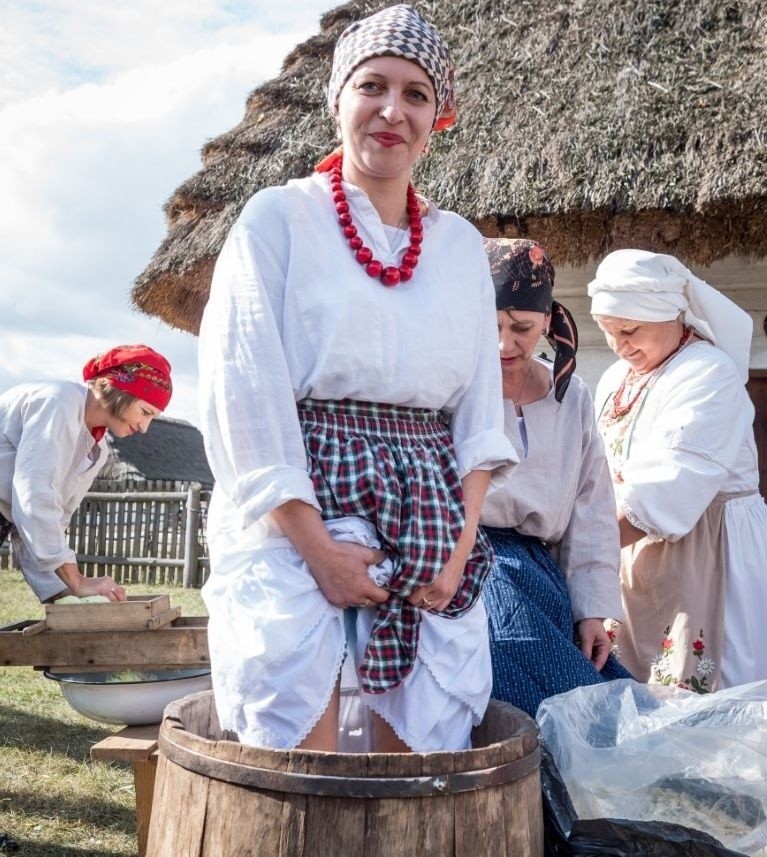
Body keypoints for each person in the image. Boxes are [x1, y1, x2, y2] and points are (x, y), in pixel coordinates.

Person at [198, 4, 516, 753]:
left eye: (414, 95)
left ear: (438, 116)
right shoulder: (276, 220)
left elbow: (478, 407)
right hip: (296, 502)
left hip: (429, 506)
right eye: (371, 86)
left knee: (423, 745)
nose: (390, 110)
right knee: (290, 734)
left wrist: (459, 542)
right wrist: (315, 548)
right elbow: (243, 388)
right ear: (336, 97)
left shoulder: (459, 245)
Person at [590, 249, 767, 691]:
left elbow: (665, 492)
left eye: (629, 330)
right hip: (632, 553)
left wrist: (579, 552)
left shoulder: (710, 374)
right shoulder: (616, 378)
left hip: (708, 552)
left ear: (672, 315)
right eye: (607, 332)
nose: (619, 345)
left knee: (707, 702)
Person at [478, 238, 631, 717]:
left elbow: (591, 510)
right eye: (495, 325)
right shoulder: (456, 388)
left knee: (596, 687)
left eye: (522, 328)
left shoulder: (574, 398)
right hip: (472, 562)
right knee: (519, 671)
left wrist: (590, 609)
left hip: (541, 572)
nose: (507, 343)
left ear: (547, 320)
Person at [0, 344, 173, 604]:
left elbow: (46, 522)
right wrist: (77, 581)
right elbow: (33, 497)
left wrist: (64, 595)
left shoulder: (96, 451)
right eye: (145, 412)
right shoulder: (58, 400)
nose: (144, 427)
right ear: (121, 390)